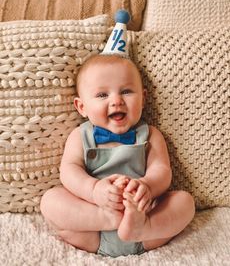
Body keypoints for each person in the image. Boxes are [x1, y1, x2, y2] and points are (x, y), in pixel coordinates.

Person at [40, 53, 195, 257]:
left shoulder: (150, 135)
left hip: (144, 223)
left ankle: (143, 227)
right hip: (92, 227)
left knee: (184, 202)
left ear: (143, 99)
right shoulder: (80, 136)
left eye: (127, 91)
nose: (116, 101)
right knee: (50, 200)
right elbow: (69, 171)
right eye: (102, 95)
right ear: (82, 107)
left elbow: (162, 170)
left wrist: (147, 186)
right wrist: (94, 190)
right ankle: (107, 217)